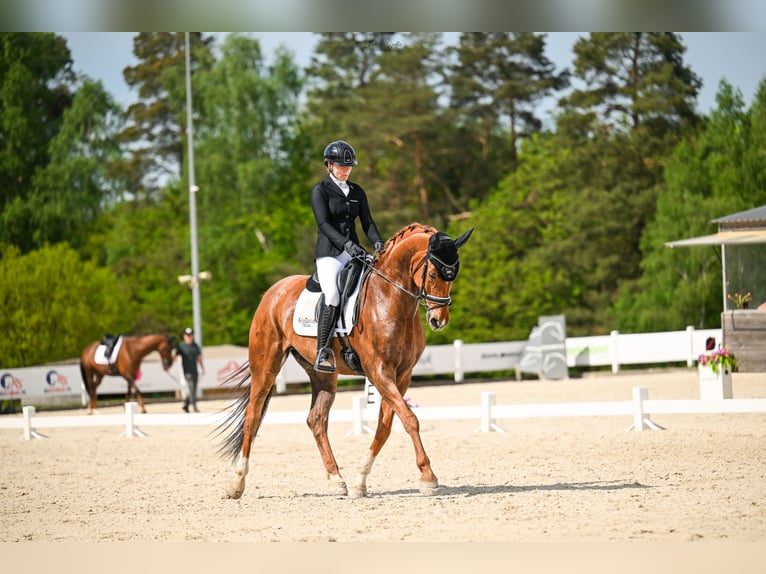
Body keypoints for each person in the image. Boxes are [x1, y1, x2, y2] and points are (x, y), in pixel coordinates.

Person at [310, 140, 384, 372]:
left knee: (372, 288)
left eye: (349, 166)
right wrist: (346, 245)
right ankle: (323, 350)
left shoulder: (357, 192)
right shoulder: (320, 191)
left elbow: (367, 222)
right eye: (341, 166)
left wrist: (379, 243)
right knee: (332, 294)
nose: (345, 170)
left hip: (355, 253)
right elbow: (323, 224)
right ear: (329, 166)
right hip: (330, 254)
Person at [173, 327, 205, 412]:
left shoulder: (195, 346)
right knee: (191, 388)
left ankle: (186, 405)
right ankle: (194, 406)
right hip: (187, 372)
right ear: (184, 336)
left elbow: (199, 358)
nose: (189, 337)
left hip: (195, 371)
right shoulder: (181, 346)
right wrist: (168, 366)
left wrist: (202, 367)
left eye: (190, 335)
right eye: (187, 335)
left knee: (193, 389)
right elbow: (175, 357)